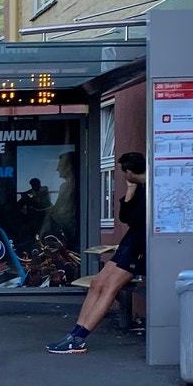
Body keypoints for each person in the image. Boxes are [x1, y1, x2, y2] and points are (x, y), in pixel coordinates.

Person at [47, 152, 146, 354]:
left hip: (141, 247)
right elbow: (125, 217)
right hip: (130, 242)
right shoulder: (138, 186)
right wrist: (131, 187)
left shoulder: (154, 186)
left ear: (128, 172)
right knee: (97, 283)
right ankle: (74, 333)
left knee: (110, 287)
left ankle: (80, 338)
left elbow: (135, 219)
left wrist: (136, 186)